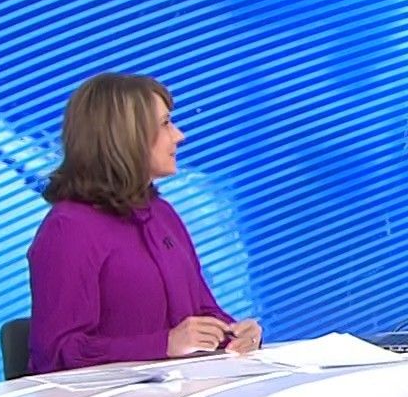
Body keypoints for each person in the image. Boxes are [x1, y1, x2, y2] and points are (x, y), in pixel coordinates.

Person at [27, 73, 261, 373]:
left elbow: (202, 311)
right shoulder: (69, 229)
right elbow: (57, 354)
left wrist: (234, 333)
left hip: (179, 392)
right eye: (165, 124)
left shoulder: (162, 214)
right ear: (124, 136)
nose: (179, 136)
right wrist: (165, 344)